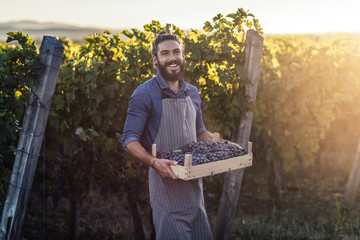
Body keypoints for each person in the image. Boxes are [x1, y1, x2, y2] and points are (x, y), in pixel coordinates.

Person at [121, 31, 215, 239]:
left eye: (176, 52)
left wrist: (225, 146)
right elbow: (129, 141)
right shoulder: (144, 94)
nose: (172, 57)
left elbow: (200, 133)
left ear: (182, 56)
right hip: (166, 194)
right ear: (156, 59)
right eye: (165, 53)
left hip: (194, 193)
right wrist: (154, 162)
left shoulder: (193, 92)